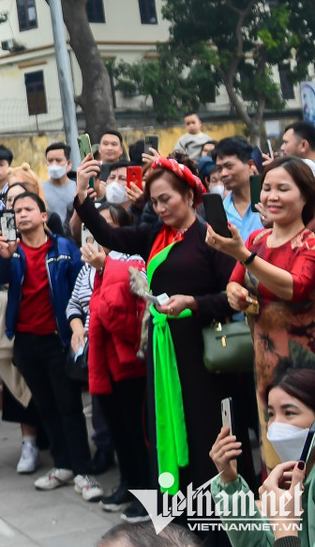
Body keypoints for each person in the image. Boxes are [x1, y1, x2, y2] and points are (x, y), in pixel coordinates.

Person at [75, 152, 257, 529]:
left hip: (206, 355)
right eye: (154, 201)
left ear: (190, 196)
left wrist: (194, 303)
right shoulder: (154, 236)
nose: (160, 208)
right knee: (170, 432)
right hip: (164, 352)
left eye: (167, 199)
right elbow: (110, 235)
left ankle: (225, 525)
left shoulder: (213, 238)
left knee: (210, 435)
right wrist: (83, 195)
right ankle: (184, 523)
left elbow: (236, 295)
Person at [0, 192, 103, 500]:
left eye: (29, 209)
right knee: (46, 407)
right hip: (25, 341)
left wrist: (77, 326)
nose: (22, 214)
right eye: (17, 211)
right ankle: (63, 465)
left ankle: (84, 471)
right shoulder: (10, 251)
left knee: (69, 406)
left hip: (59, 339)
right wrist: (3, 255)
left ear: (43, 216)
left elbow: (81, 288)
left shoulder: (64, 248)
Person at [207, 157, 315, 469]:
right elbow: (233, 285)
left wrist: (242, 254)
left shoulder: (307, 243)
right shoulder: (257, 239)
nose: (272, 196)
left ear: (305, 195)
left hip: (304, 363)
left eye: (283, 188)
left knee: (304, 450)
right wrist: (237, 296)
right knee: (273, 447)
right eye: (267, 188)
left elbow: (296, 287)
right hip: (265, 362)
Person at [68, 203, 151, 522]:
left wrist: (106, 268)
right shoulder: (89, 265)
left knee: (136, 429)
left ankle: (147, 494)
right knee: (117, 428)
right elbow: (77, 302)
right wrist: (78, 325)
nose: (98, 231)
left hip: (129, 361)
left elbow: (120, 317)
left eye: (105, 224)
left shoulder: (131, 261)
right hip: (104, 359)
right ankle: (128, 485)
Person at [210, 368, 315, 547]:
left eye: (289, 413)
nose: (275, 425)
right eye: (271, 415)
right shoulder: (290, 484)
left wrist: (285, 528)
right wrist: (229, 482)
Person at [212, 137, 263, 237]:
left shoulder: (269, 203)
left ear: (250, 164)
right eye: (219, 169)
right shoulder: (221, 211)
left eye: (229, 166)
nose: (223, 174)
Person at [43, 142, 77, 225]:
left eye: (58, 160)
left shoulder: (78, 188)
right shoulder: (39, 189)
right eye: (50, 161)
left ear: (69, 164)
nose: (54, 164)